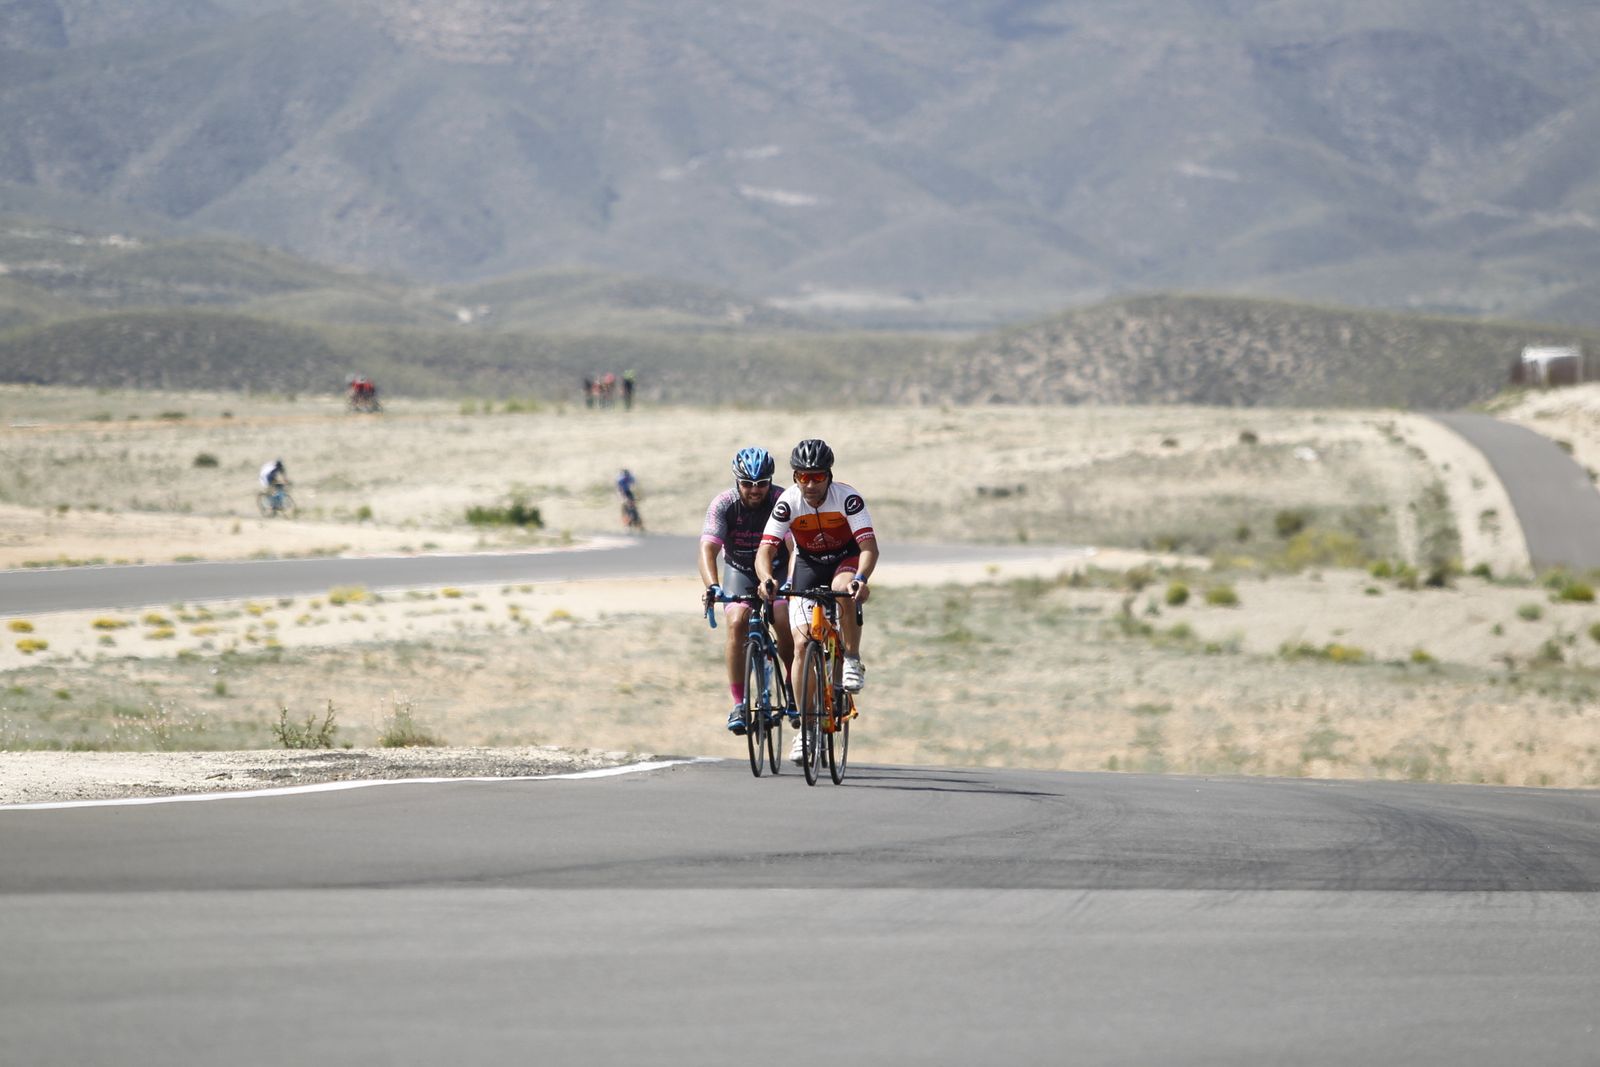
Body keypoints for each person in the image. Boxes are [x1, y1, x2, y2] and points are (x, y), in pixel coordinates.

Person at [756, 439, 877, 764]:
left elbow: (868, 548)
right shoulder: (788, 502)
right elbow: (765, 551)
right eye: (802, 477)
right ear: (795, 477)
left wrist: (861, 580)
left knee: (843, 588)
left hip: (844, 559)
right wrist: (767, 578)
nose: (810, 484)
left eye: (817, 477)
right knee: (800, 646)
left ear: (829, 475)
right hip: (809, 563)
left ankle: (850, 658)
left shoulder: (847, 499)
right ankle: (806, 731)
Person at [699, 447, 793, 734]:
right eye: (747, 484)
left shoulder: (781, 500)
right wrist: (712, 586)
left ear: (770, 481)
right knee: (737, 623)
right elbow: (708, 548)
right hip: (738, 568)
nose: (755, 490)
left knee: (781, 615)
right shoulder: (724, 504)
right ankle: (739, 703)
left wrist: (789, 583)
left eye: (761, 483)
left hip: (777, 568)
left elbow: (793, 546)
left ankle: (793, 685)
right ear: (737, 481)